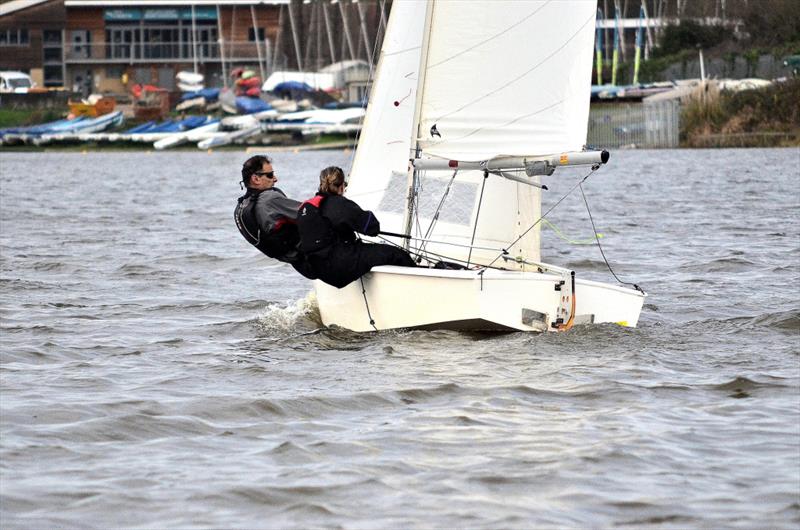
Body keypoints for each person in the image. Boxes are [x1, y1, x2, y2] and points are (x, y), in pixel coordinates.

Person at [297, 166, 416, 288]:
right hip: (340, 265)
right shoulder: (340, 204)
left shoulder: (305, 207)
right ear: (342, 186)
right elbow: (372, 227)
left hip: (318, 269)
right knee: (399, 255)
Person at [234, 155, 316, 279]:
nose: (275, 179)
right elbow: (311, 212)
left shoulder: (243, 205)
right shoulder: (270, 198)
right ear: (256, 179)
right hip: (314, 258)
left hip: (299, 263)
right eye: (270, 175)